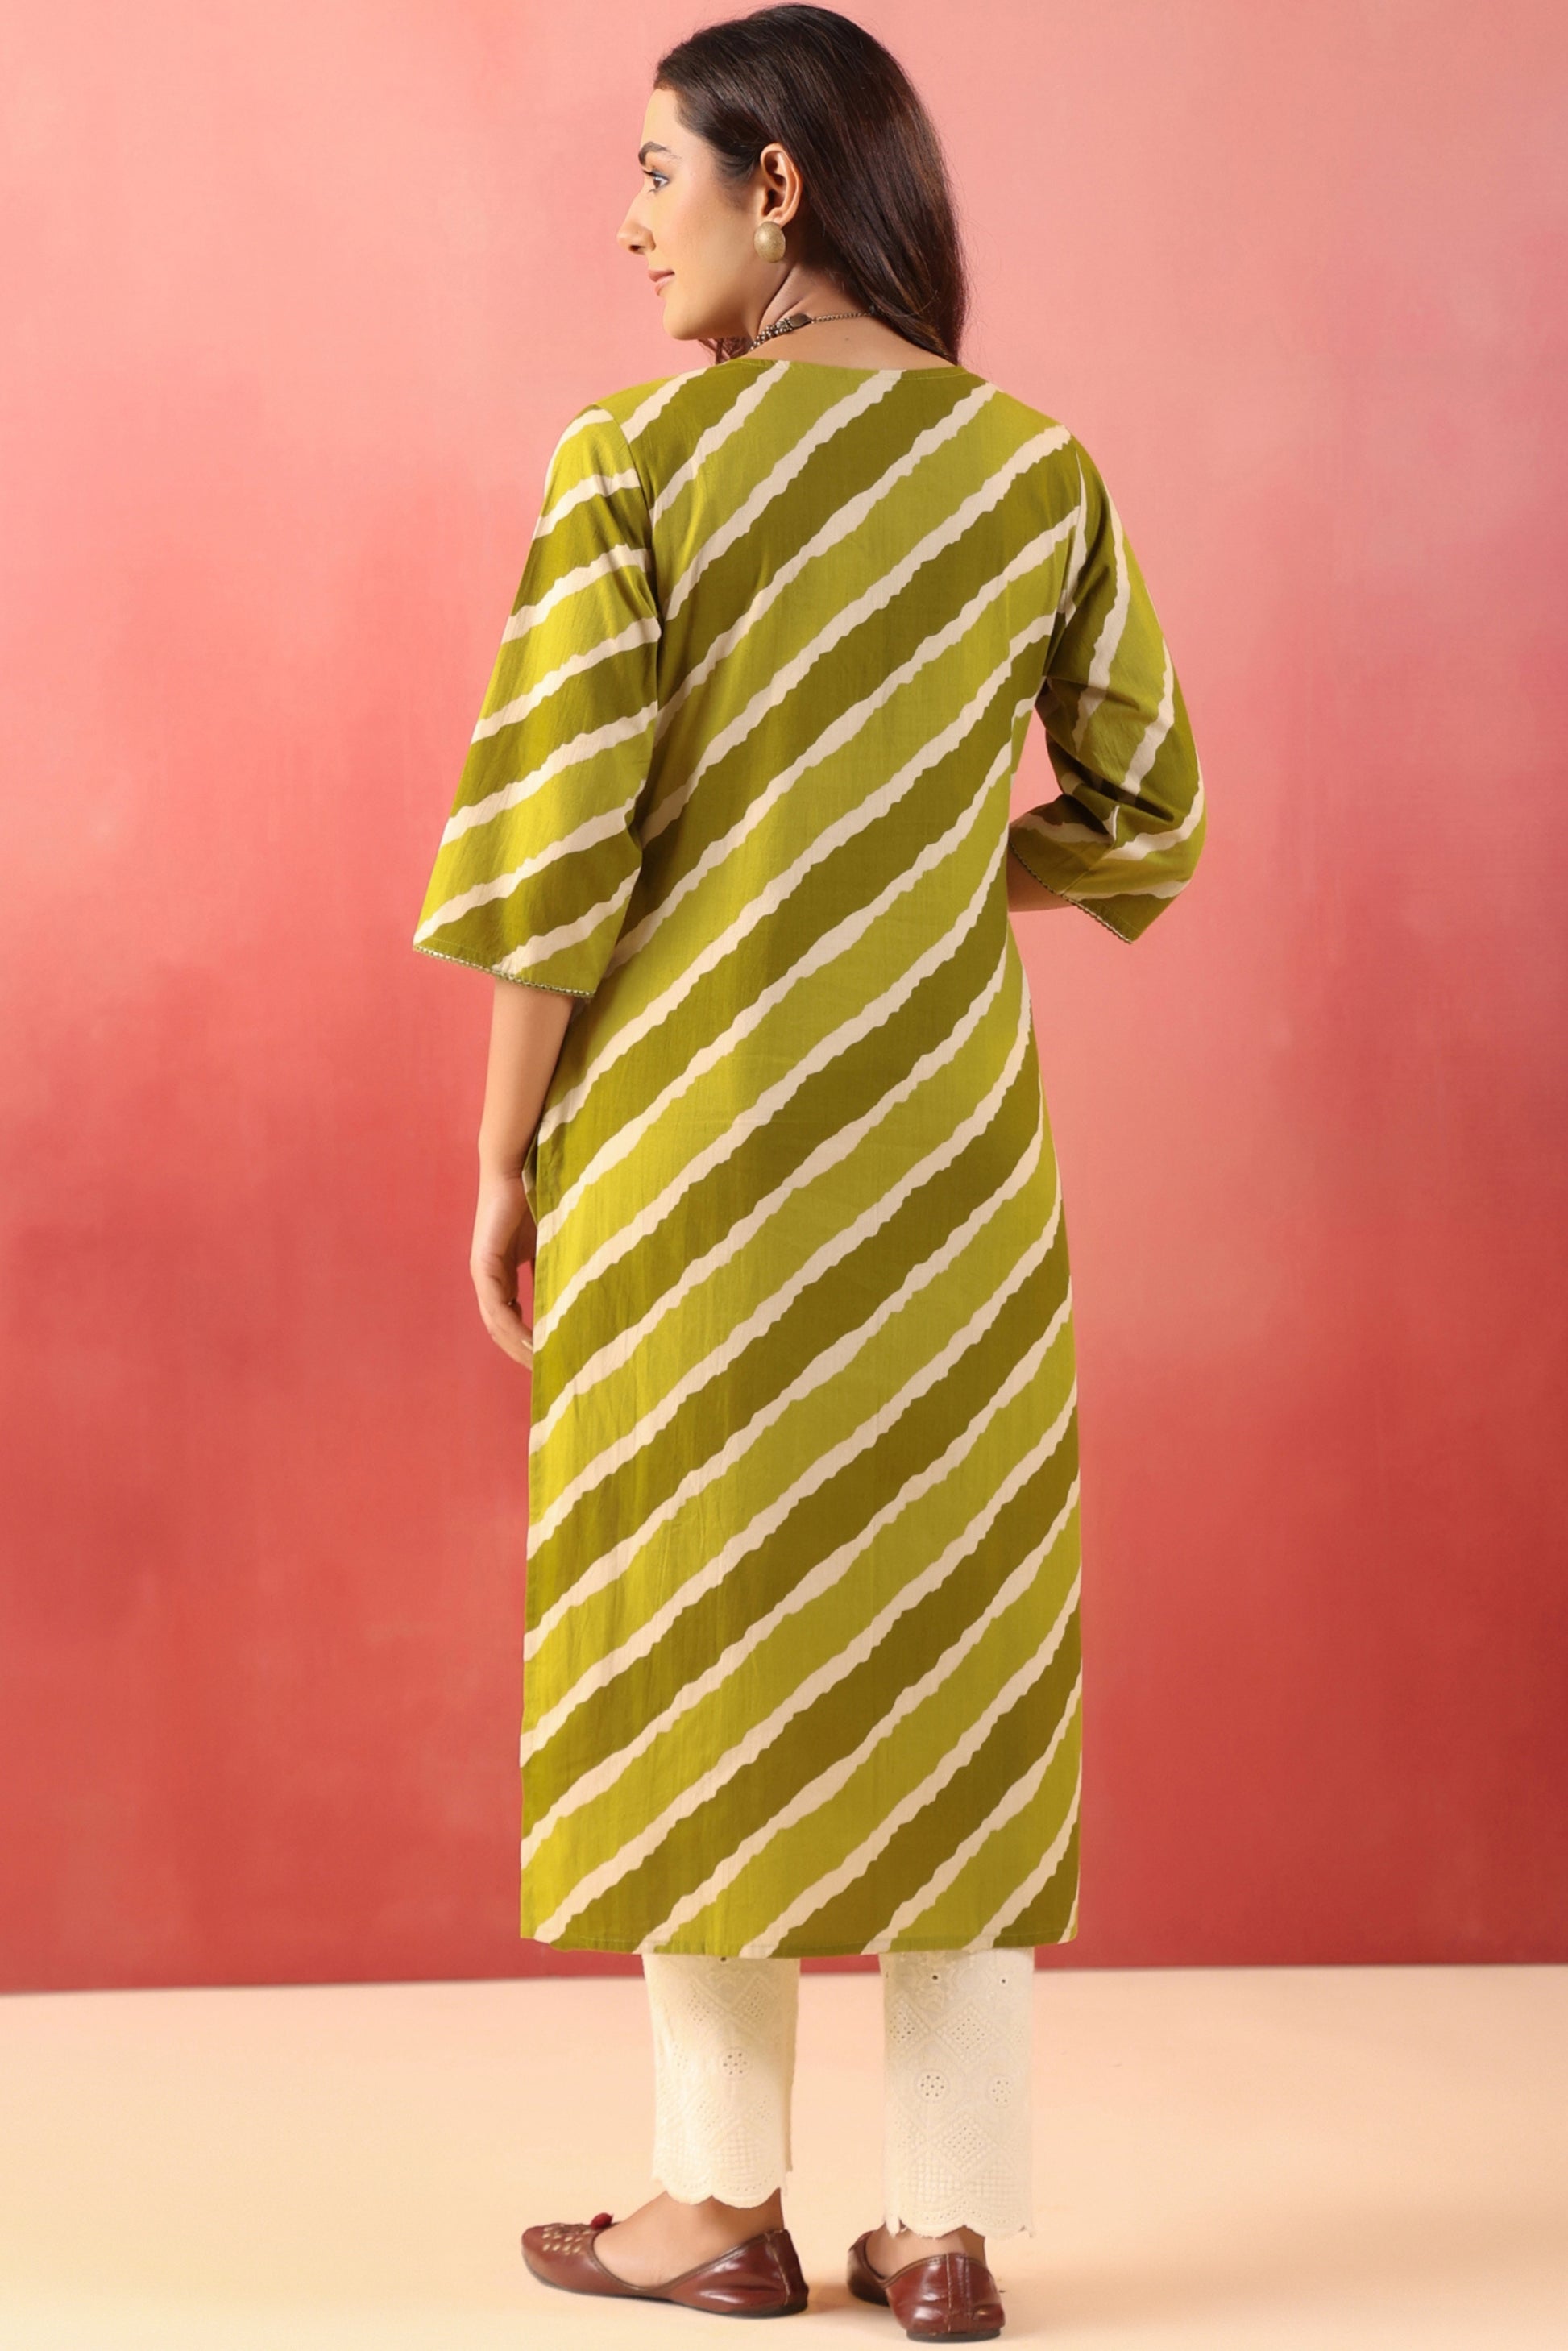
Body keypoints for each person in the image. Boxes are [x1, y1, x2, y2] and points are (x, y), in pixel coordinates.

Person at [412, 6, 1205, 2337]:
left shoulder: (636, 464)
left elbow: (556, 852)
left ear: (777, 184)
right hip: (947, 1170)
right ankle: (945, 2233)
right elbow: (1152, 808)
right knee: (957, 1657)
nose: (625, 223)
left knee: (699, 1636)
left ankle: (713, 2203)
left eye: (656, 172)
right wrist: (924, 874)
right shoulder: (1033, 472)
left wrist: (500, 1150)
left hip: (688, 1162)